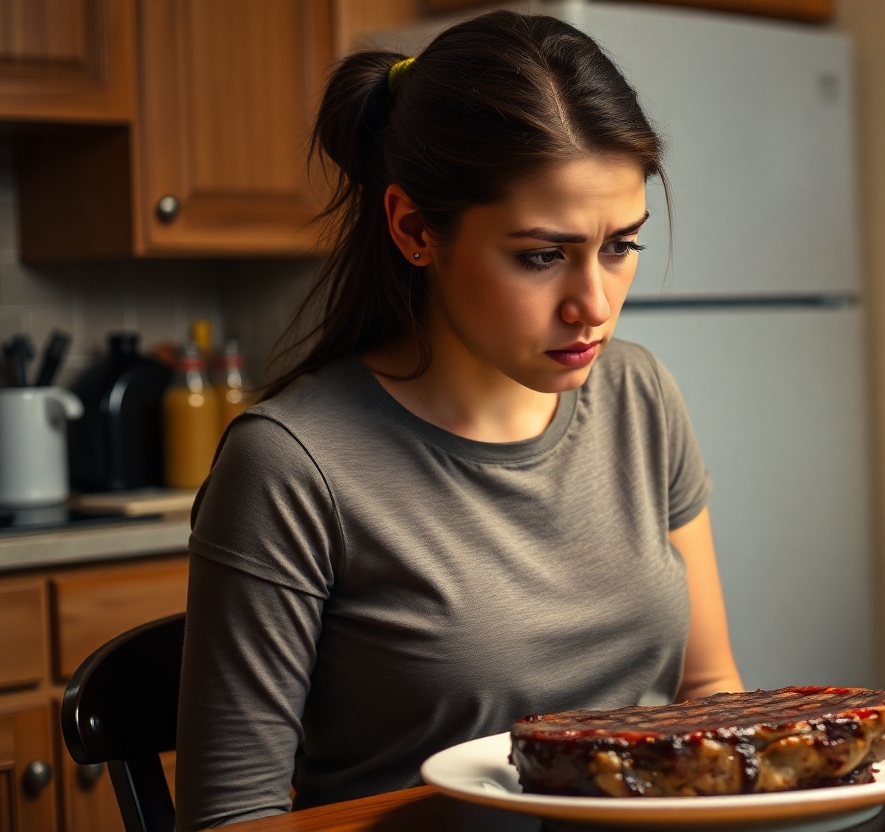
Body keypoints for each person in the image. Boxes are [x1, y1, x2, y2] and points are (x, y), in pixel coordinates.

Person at [174, 12, 743, 828]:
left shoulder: (640, 396)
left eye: (621, 246)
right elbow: (233, 816)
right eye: (541, 255)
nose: (594, 305)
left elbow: (706, 695)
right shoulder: (294, 466)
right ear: (414, 229)